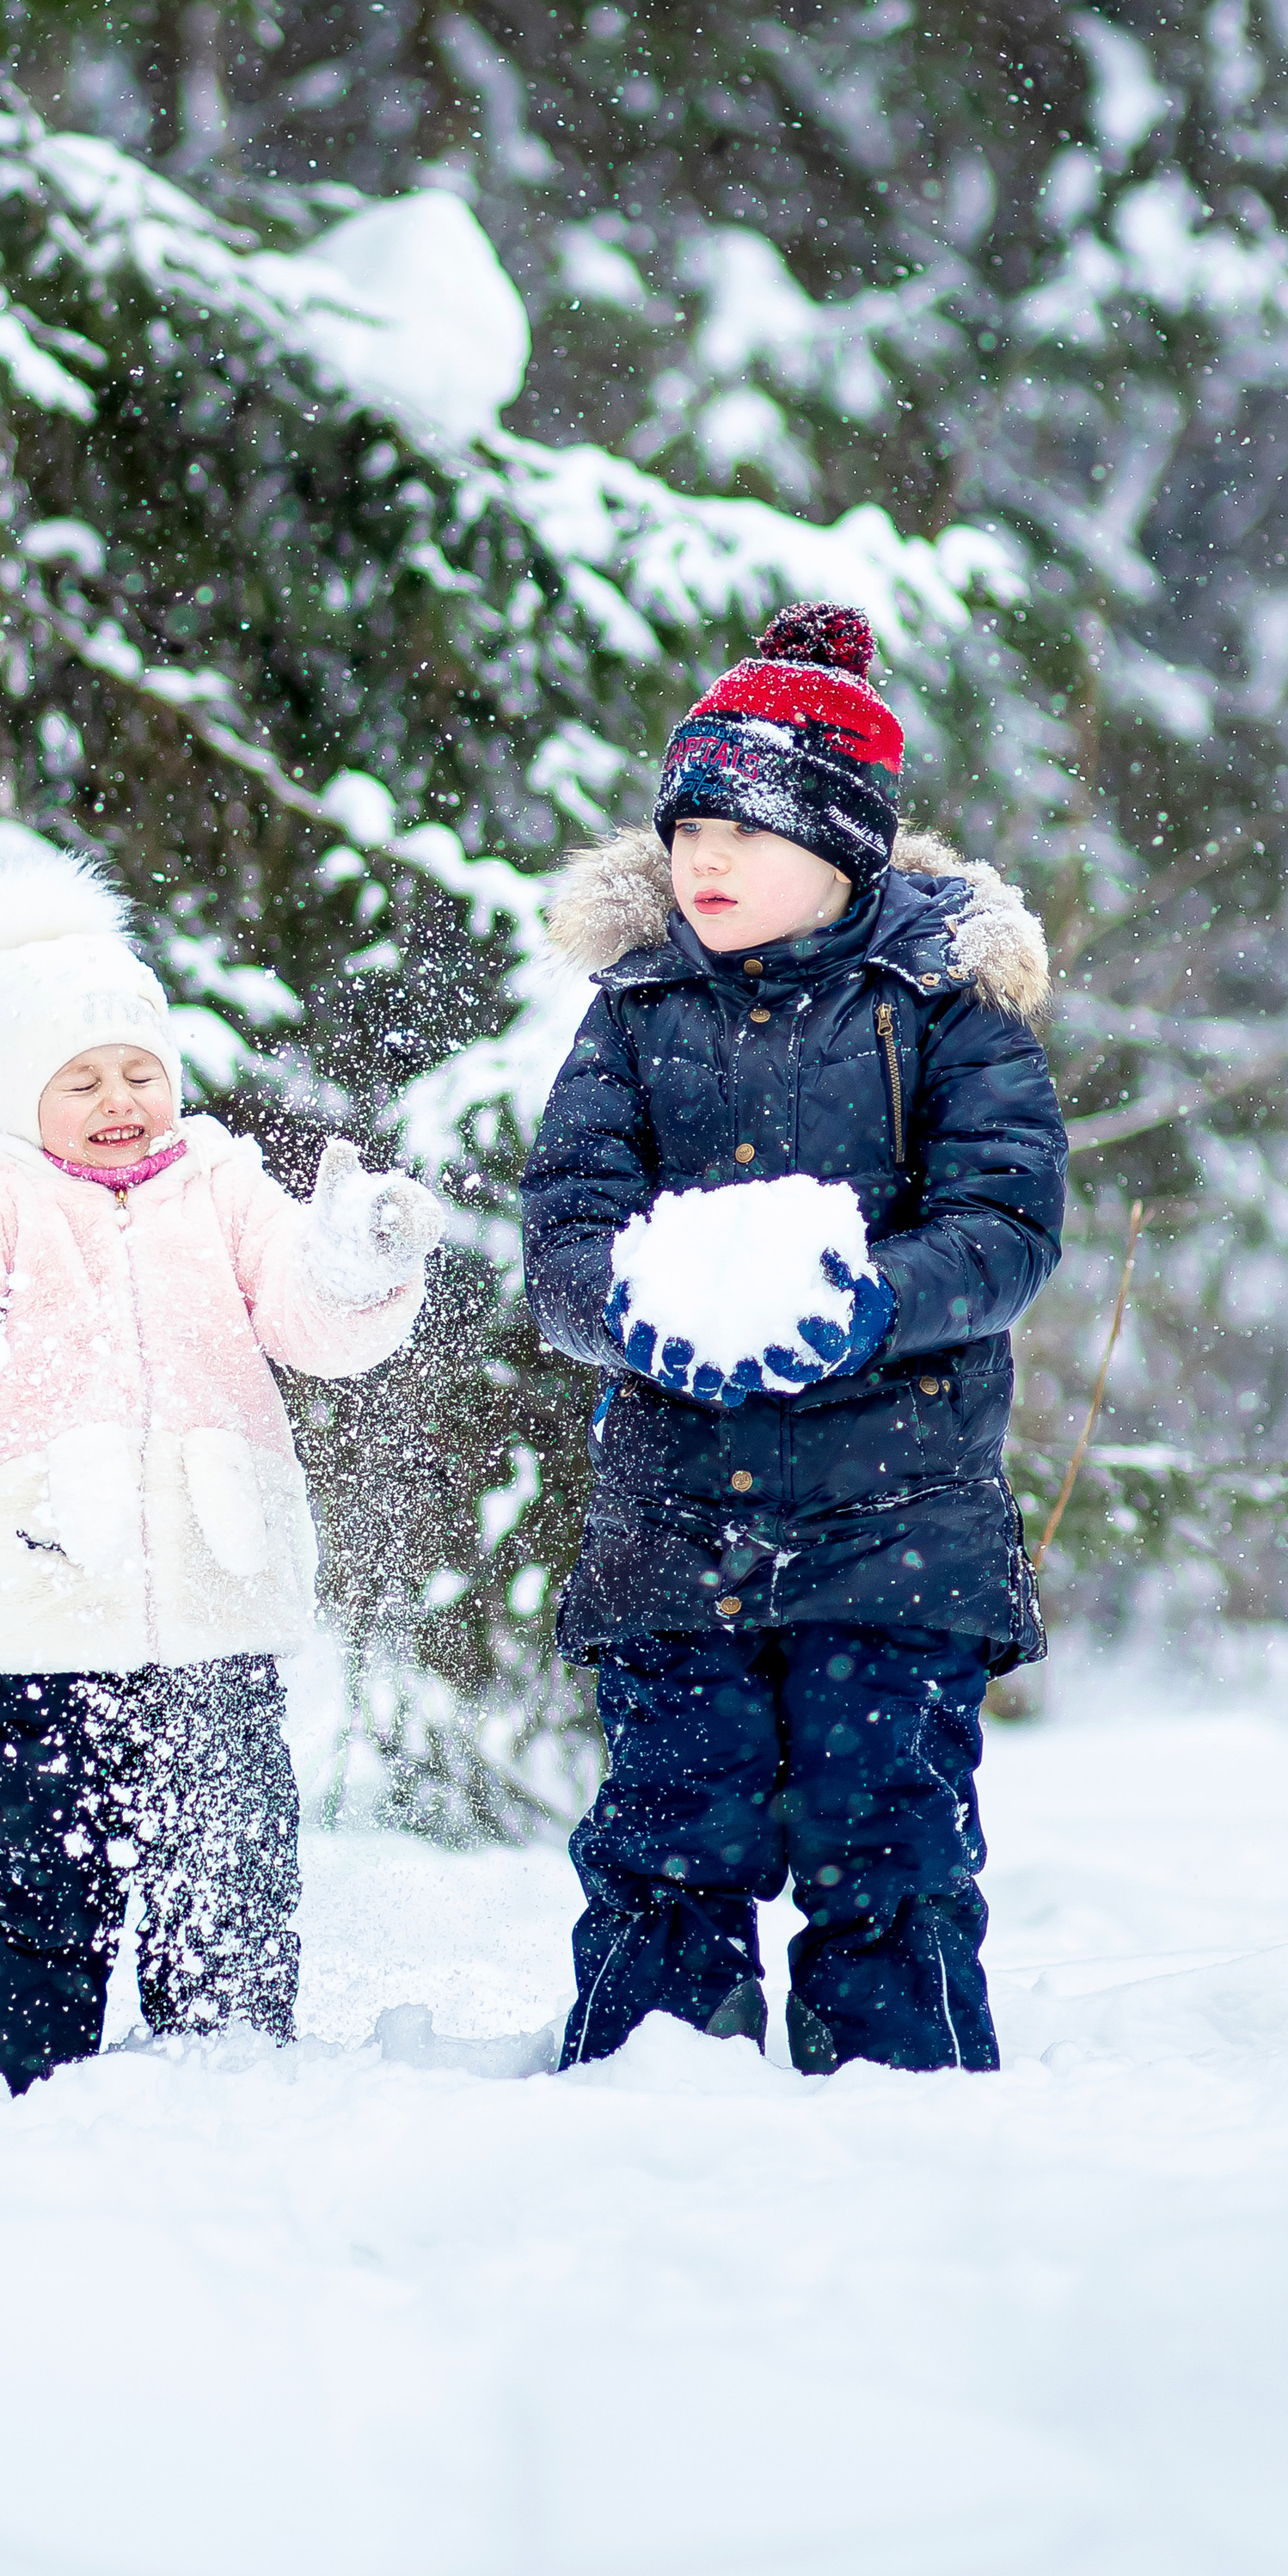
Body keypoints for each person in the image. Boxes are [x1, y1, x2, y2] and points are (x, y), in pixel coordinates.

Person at [0, 843, 441, 2087]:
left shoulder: (223, 1183)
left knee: (227, 1868)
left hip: (217, 1599)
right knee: (45, 1879)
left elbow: (306, 1313)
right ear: (23, 1097)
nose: (122, 1097)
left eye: (141, 1070)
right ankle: (15, 2093)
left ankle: (225, 2075)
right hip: (49, 1601)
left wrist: (355, 1260)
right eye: (83, 1079)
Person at [521, 602, 1066, 2074]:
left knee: (885, 1847)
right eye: (687, 824)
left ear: (841, 847)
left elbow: (1008, 1228)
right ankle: (641, 2120)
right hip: (676, 1523)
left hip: (894, 1522)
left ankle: (909, 2132)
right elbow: (562, 1233)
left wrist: (870, 1304)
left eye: (744, 830)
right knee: (663, 1850)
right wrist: (632, 1308)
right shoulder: (631, 1008)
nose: (703, 858)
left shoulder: (942, 1003)